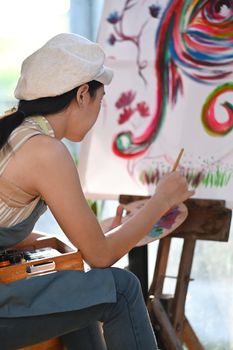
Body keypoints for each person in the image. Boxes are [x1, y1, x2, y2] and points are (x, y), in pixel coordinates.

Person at [0, 33, 194, 349]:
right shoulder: (45, 152)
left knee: (82, 294)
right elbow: (101, 257)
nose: (100, 111)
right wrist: (162, 200)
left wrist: (91, 232)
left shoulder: (14, 132)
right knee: (120, 288)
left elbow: (7, 231)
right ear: (81, 95)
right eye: (100, 100)